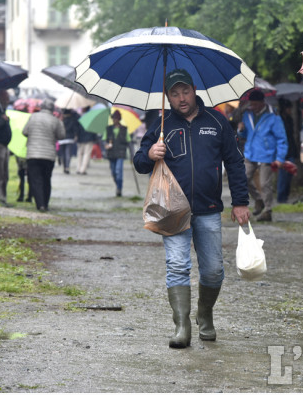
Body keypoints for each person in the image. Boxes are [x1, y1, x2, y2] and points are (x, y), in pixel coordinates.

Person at [133, 68, 250, 349]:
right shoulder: (162, 124)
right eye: (174, 93)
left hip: (209, 208)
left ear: (194, 89)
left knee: (212, 271)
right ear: (167, 97)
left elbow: (234, 162)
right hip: (172, 210)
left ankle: (204, 315)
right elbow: (139, 161)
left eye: (185, 91)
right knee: (176, 265)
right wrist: (150, 154)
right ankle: (182, 326)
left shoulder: (217, 121)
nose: (181, 98)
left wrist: (241, 201)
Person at [237, 90, 288, 222]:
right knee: (242, 179)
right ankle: (258, 200)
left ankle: (267, 210)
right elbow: (245, 134)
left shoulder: (273, 116)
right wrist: (241, 130)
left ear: (262, 103)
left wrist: (280, 158)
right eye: (251, 104)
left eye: (255, 104)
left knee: (265, 183)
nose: (252, 107)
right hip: (251, 153)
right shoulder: (247, 114)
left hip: (267, 154)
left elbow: (281, 139)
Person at [22, 100, 66, 212]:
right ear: (52, 109)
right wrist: (60, 122)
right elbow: (61, 136)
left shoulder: (33, 117)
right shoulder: (55, 120)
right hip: (48, 155)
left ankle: (40, 204)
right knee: (46, 179)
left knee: (35, 180)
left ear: (41, 107)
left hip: (33, 154)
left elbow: (25, 131)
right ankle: (45, 204)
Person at [276, 99, 299, 203]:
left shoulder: (289, 119)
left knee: (289, 175)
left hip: (290, 149)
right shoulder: (279, 120)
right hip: (283, 150)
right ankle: (281, 197)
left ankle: (285, 195)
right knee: (283, 175)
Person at [105, 110, 130, 197]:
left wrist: (133, 155)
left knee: (118, 171)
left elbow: (129, 141)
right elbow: (104, 140)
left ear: (119, 119)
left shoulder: (124, 129)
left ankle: (119, 188)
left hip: (121, 153)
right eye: (113, 118)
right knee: (113, 172)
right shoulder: (108, 129)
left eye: (116, 118)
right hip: (111, 153)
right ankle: (118, 185)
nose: (114, 120)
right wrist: (106, 145)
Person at [59, 110, 80, 174]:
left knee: (63, 154)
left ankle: (64, 167)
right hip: (70, 138)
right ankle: (67, 167)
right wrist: (76, 135)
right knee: (68, 153)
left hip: (61, 139)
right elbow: (75, 129)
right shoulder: (72, 120)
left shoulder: (61, 120)